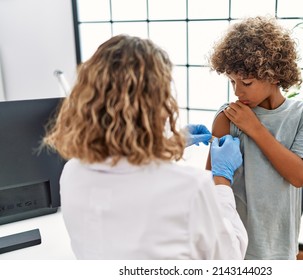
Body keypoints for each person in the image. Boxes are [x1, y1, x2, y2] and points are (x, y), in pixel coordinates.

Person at [43, 34, 248, 259]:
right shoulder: (191, 187)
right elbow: (230, 259)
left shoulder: (73, 172)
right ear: (158, 104)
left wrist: (165, 146)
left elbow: (130, 181)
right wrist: (221, 180)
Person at [205, 16, 303, 260]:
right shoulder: (228, 116)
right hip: (234, 246)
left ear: (274, 74)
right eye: (232, 81)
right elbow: (210, 186)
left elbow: (300, 176)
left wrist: (255, 128)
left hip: (280, 248)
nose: (237, 91)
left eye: (246, 82)